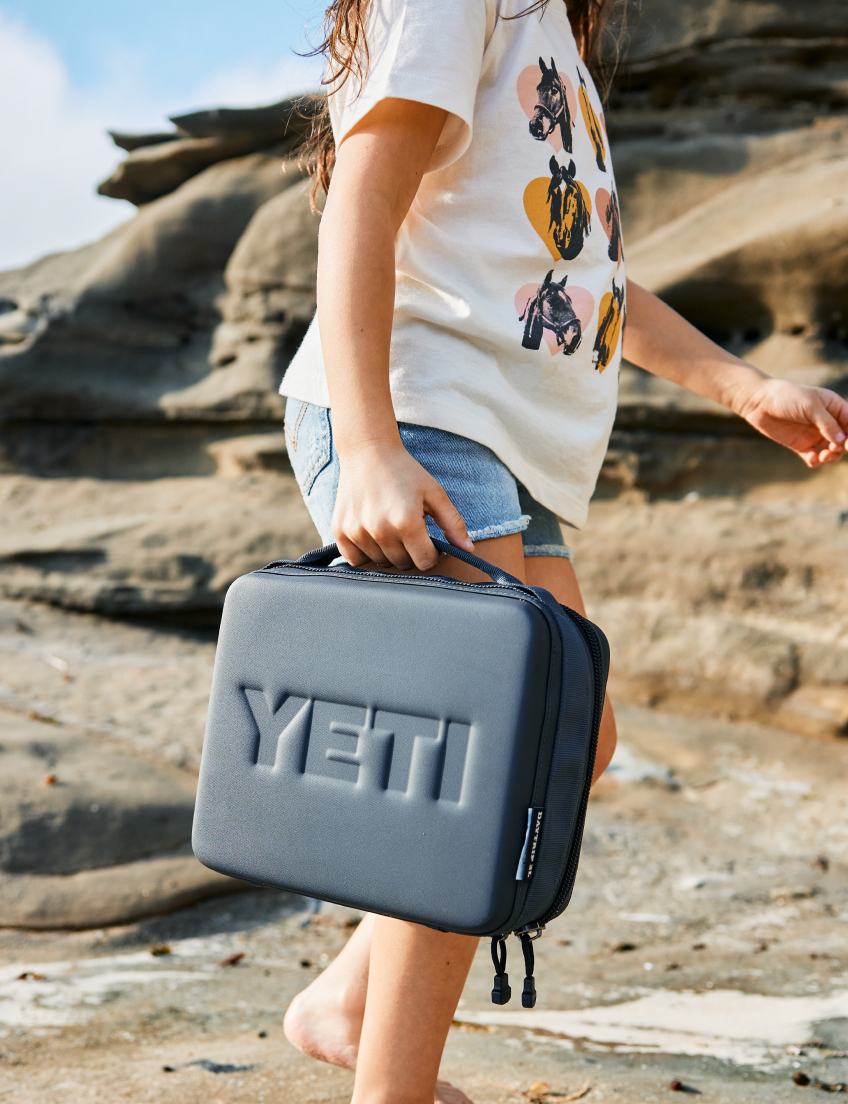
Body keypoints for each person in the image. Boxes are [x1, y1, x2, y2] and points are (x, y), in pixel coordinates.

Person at [277, 2, 848, 1101]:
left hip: (501, 442)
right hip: (422, 414)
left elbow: (590, 280)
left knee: (570, 739)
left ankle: (346, 1005)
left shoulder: (546, 35)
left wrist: (746, 390)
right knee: (484, 766)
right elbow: (361, 197)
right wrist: (367, 445)